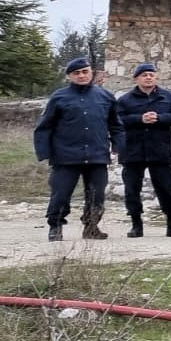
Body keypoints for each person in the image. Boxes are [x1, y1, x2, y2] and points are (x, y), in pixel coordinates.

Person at [34, 57, 123, 242]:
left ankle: (91, 227)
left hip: (97, 155)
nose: (81, 75)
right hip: (66, 156)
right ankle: (56, 227)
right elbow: (44, 127)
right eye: (76, 73)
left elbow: (116, 125)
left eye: (85, 72)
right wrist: (45, 152)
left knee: (96, 194)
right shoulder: (59, 97)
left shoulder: (105, 96)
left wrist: (118, 145)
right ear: (69, 77)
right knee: (61, 193)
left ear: (91, 73)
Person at [115, 62, 171, 238]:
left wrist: (160, 118)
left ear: (156, 77)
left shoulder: (168, 96)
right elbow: (117, 120)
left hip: (159, 150)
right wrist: (140, 119)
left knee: (166, 189)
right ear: (136, 79)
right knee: (132, 189)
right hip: (133, 150)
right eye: (144, 75)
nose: (148, 77)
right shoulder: (125, 100)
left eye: (151, 74)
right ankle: (136, 225)